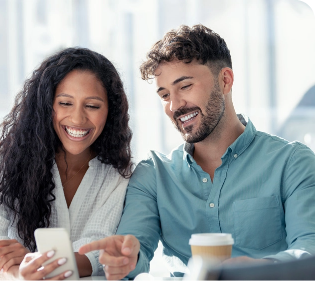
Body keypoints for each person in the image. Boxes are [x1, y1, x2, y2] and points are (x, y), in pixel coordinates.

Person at [79, 24, 315, 280]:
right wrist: (125, 259)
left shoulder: (292, 163)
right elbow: (135, 251)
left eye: (185, 86)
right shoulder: (154, 174)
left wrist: (253, 270)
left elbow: (309, 250)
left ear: (225, 80)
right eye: (165, 94)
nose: (174, 106)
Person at [0, 47, 133, 280]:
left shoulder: (117, 174)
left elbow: (95, 247)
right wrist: (20, 274)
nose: (78, 119)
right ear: (45, 105)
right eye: (65, 103)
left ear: (110, 112)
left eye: (92, 106)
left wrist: (37, 263)